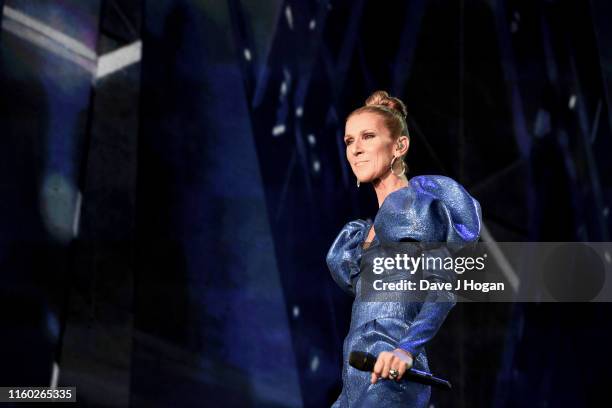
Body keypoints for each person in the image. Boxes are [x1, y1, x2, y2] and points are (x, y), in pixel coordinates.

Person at [326, 90, 482, 407]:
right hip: (356, 380)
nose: (355, 150)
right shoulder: (361, 234)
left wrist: (405, 349)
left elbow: (443, 288)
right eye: (349, 141)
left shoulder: (415, 207)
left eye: (367, 137)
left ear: (399, 146)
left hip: (391, 381)